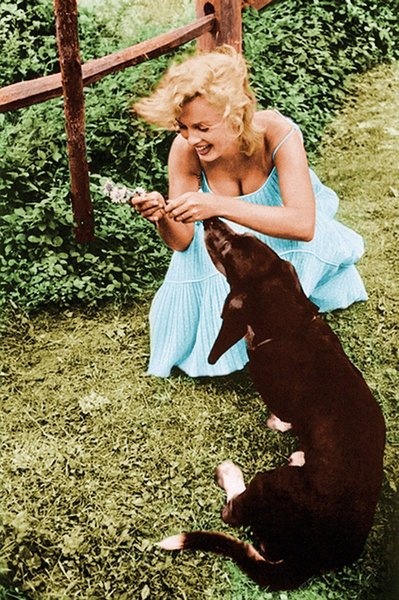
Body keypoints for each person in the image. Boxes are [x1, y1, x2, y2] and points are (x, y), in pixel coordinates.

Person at [132, 45, 367, 378]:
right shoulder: (184, 150)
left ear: (235, 115)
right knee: (205, 286)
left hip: (285, 234)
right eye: (182, 127)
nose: (191, 138)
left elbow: (303, 224)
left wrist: (215, 205)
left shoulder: (278, 133)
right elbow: (182, 242)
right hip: (230, 247)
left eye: (202, 127)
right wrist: (162, 218)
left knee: (297, 256)